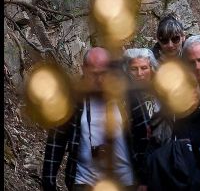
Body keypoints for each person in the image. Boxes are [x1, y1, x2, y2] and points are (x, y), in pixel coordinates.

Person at [42, 47, 150, 191]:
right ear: (83, 69)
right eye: (94, 74)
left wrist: (145, 179)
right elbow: (56, 140)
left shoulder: (128, 93)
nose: (99, 80)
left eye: (104, 73)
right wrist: (49, 181)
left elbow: (145, 136)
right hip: (84, 181)